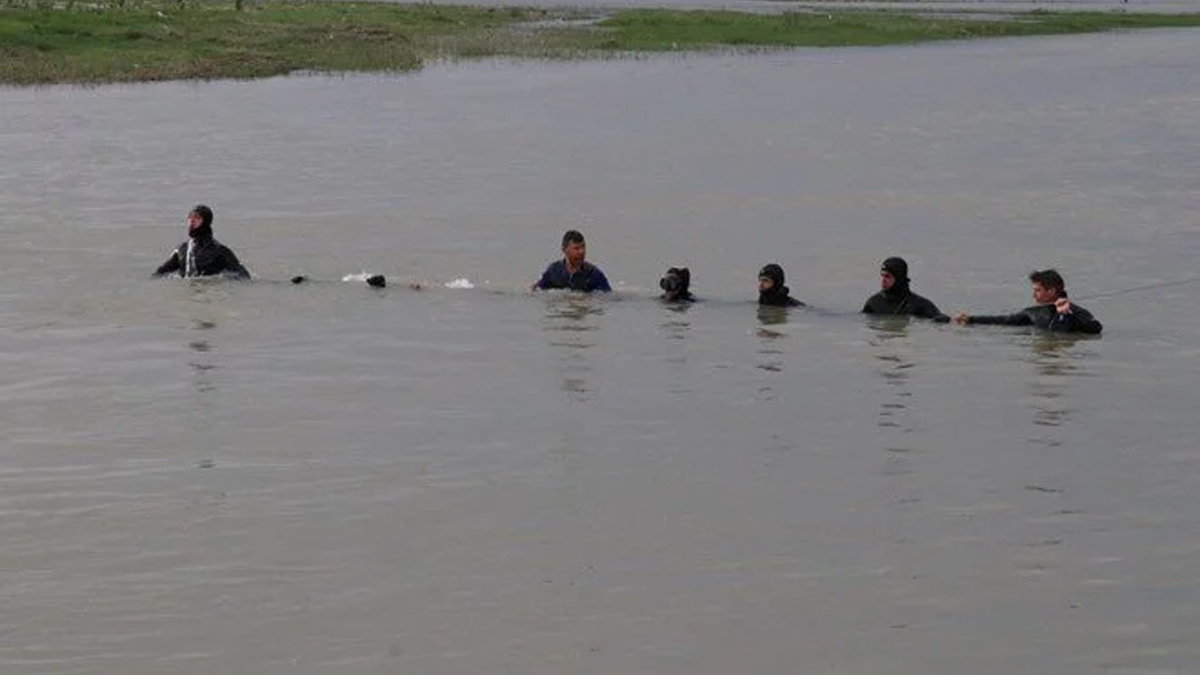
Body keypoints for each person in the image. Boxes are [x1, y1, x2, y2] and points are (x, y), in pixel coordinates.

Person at [953, 269, 1102, 335]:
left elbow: (1096, 329)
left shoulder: (1077, 312)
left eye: (1037, 290)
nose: (1034, 295)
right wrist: (972, 319)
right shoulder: (1032, 313)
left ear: (1050, 291)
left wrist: (1066, 314)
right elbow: (1005, 321)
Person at [153, 205, 251, 280]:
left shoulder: (220, 251)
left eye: (197, 217)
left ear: (206, 222)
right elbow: (160, 273)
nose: (192, 221)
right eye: (190, 217)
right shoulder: (182, 249)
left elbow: (244, 277)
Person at [862, 256, 948, 322]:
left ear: (899, 278)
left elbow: (940, 321)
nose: (883, 280)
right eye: (882, 276)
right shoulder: (873, 303)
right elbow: (862, 322)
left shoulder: (920, 305)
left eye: (888, 276)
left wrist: (954, 320)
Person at [532, 229, 612, 293]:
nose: (581, 251)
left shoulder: (593, 274)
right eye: (576, 248)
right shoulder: (553, 271)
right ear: (564, 249)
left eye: (583, 247)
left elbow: (608, 298)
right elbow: (538, 291)